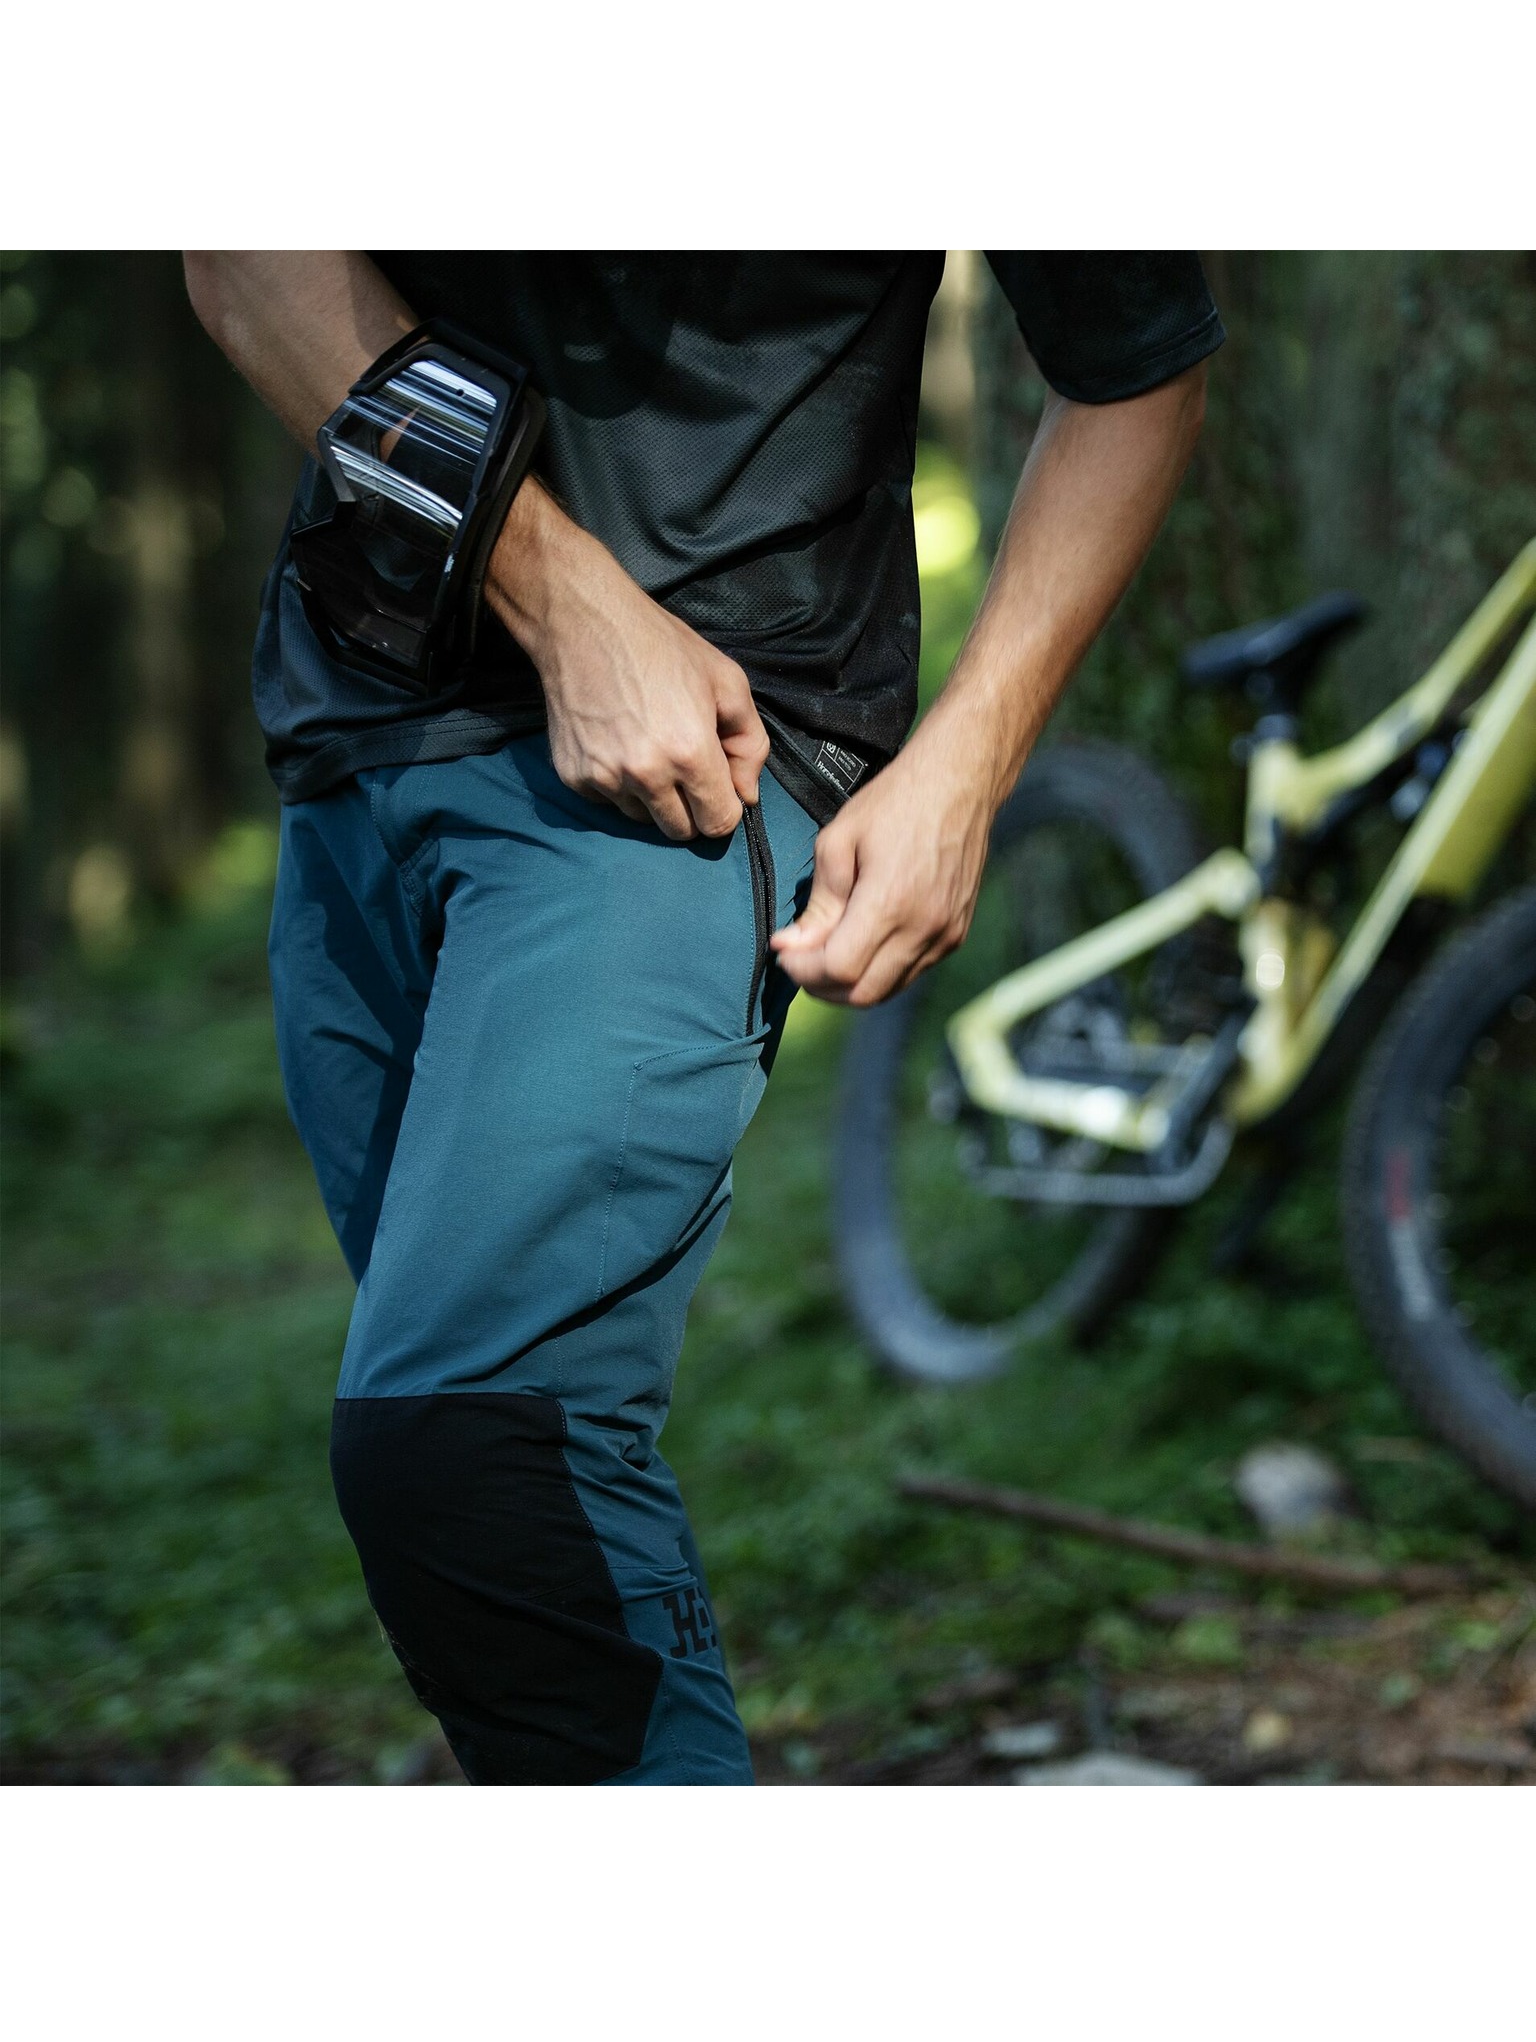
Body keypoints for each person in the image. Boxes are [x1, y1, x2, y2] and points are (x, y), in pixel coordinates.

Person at [184, 251, 1222, 1784]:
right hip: (356, 738)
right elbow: (245, 250)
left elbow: (1135, 363)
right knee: (489, 1488)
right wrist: (555, 592)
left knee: (481, 1451)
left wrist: (968, 764)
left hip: (699, 759)